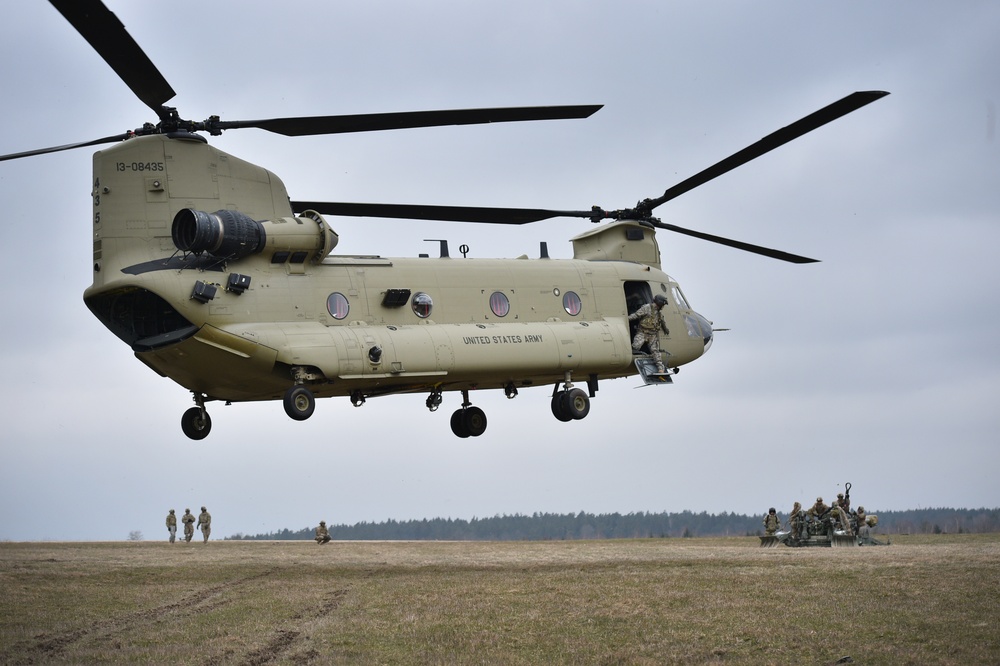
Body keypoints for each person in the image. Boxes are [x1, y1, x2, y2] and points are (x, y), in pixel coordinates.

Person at [628, 294, 671, 373]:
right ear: (660, 303)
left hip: (652, 335)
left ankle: (660, 369)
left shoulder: (659, 313)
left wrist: (665, 330)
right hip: (642, 333)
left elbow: (662, 322)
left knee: (655, 352)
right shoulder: (647, 308)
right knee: (635, 346)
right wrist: (626, 319)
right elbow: (636, 315)